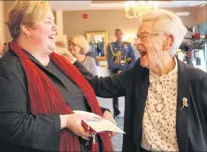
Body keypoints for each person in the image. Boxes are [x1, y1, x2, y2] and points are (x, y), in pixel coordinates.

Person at [66, 9, 207, 152]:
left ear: (167, 42)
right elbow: (100, 86)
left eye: (144, 36)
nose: (136, 43)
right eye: (137, 37)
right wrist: (71, 62)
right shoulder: (138, 73)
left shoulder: (198, 80)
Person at [0, 1, 115, 152]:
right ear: (26, 28)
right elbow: (12, 126)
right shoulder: (7, 69)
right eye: (48, 21)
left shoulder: (61, 63)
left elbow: (73, 102)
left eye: (54, 21)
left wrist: (102, 112)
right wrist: (65, 121)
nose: (55, 27)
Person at [107, 28, 136, 118]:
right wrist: (116, 69)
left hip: (126, 72)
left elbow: (133, 58)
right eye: (117, 34)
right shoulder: (111, 46)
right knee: (114, 92)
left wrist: (127, 69)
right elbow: (109, 60)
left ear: (123, 35)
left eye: (121, 34)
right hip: (115, 72)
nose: (119, 35)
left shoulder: (128, 45)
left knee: (127, 91)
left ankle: (128, 111)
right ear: (115, 35)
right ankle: (116, 112)